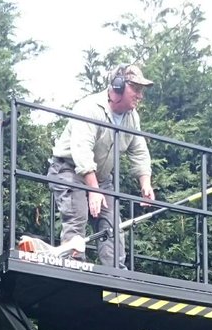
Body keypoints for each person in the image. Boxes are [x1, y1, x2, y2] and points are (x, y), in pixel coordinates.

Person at [47, 64, 155, 266]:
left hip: (102, 178)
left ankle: (116, 274)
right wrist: (93, 190)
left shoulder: (132, 118)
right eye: (136, 89)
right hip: (68, 169)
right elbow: (81, 150)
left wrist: (145, 183)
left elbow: (139, 150)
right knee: (76, 214)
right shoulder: (88, 108)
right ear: (118, 86)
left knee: (113, 226)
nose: (140, 96)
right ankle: (73, 263)